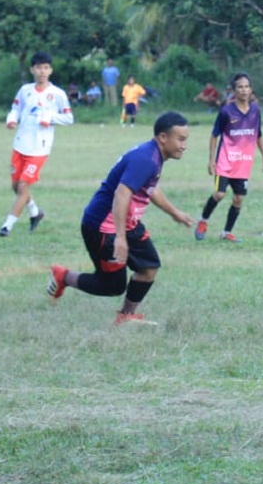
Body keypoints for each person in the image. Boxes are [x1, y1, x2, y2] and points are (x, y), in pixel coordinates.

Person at [46, 111, 195, 325]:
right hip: (103, 228)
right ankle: (63, 276)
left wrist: (175, 213)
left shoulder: (153, 156)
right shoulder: (147, 159)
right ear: (163, 137)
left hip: (126, 223)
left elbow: (150, 189)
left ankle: (125, 316)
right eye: (180, 139)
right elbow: (121, 193)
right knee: (112, 286)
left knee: (149, 267)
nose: (184, 146)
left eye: (185, 140)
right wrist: (120, 238)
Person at [0, 51, 74, 237]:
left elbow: (69, 117)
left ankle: (7, 226)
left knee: (23, 187)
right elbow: (16, 108)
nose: (42, 71)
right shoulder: (25, 90)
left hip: (39, 148)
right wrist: (11, 120)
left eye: (46, 68)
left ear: (51, 70)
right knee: (16, 187)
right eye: (39, 67)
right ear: (32, 69)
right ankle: (35, 213)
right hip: (20, 144)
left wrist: (50, 118)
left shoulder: (57, 94)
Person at [195, 72, 263, 243]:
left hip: (243, 163)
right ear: (234, 90)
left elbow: (258, 134)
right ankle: (203, 221)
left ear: (251, 90)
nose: (244, 90)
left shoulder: (256, 111)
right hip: (225, 161)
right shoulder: (226, 111)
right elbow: (214, 135)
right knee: (220, 194)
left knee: (238, 199)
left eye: (246, 87)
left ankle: (226, 232)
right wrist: (211, 160)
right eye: (240, 87)